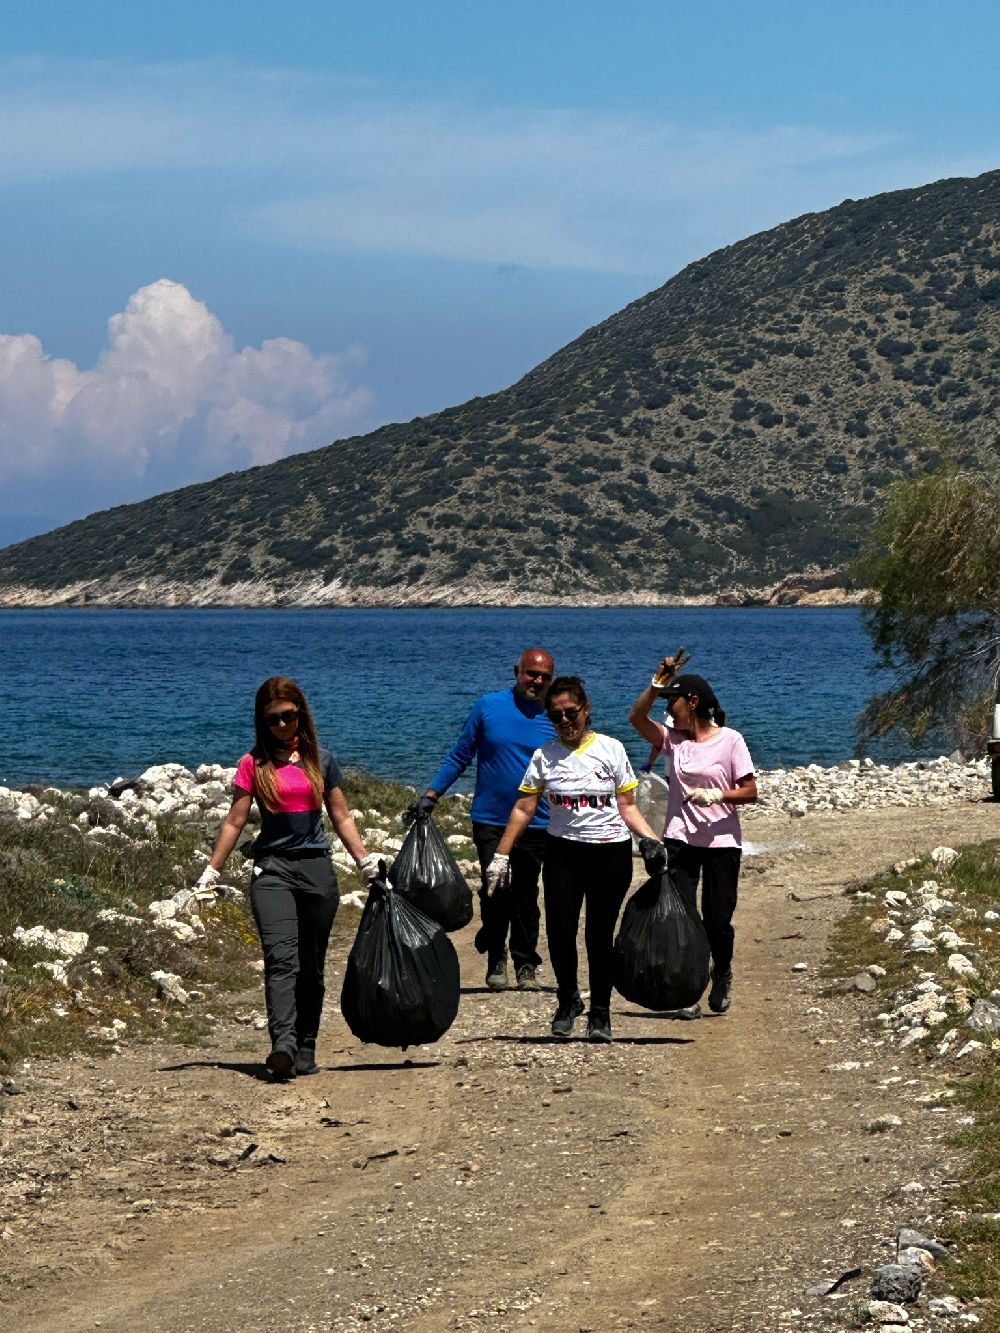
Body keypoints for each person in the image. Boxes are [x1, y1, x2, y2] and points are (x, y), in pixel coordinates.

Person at [191, 676, 380, 1079]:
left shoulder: (321, 761)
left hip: (316, 869)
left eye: (287, 717)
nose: (281, 726)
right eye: (272, 720)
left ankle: (306, 1043)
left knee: (311, 966)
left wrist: (365, 863)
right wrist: (211, 871)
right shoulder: (252, 764)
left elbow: (341, 816)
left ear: (300, 714)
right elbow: (235, 820)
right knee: (281, 960)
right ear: (262, 722)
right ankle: (283, 1045)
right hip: (272, 869)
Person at [483, 675, 666, 1043]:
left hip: (609, 853)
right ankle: (567, 1001)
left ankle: (601, 1012)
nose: (565, 721)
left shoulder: (612, 750)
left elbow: (628, 806)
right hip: (563, 853)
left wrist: (649, 840)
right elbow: (523, 807)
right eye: (556, 716)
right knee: (560, 933)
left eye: (571, 712)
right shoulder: (544, 756)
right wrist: (501, 855)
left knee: (599, 935)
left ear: (586, 710)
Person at [413, 648, 557, 991]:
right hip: (491, 817)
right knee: (496, 890)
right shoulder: (488, 706)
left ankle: (525, 964)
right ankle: (496, 956)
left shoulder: (555, 714)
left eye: (544, 677)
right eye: (531, 674)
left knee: (525, 893)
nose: (536, 681)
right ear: (517, 671)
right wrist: (432, 794)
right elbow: (460, 754)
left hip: (537, 820)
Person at [628, 665, 757, 1018]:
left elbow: (750, 792)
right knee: (684, 918)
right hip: (680, 839)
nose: (668, 709)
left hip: (722, 842)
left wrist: (716, 796)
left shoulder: (731, 740)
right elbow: (636, 718)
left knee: (717, 920)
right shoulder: (673, 741)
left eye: (674, 702)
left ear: (694, 702)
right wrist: (656, 685)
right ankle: (691, 990)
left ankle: (723, 971)